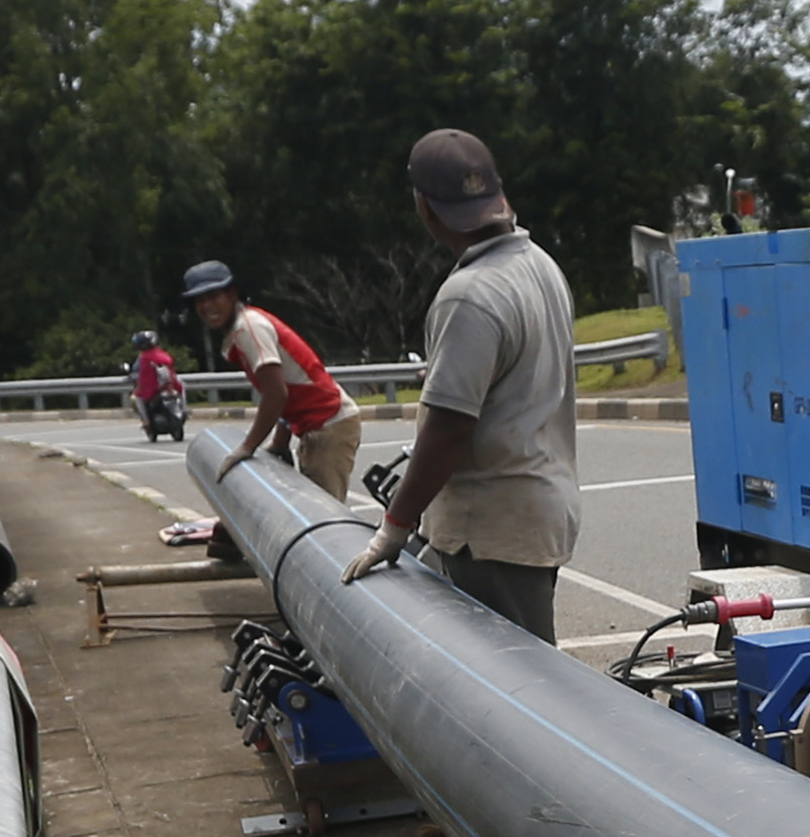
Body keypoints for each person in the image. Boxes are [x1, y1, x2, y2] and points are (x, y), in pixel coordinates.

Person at [341, 129, 580, 641]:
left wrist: (393, 526)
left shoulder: (467, 296)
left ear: (424, 207)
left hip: (491, 526)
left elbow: (450, 428)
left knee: (517, 692)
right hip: (535, 511)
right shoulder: (541, 267)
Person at [183, 260, 359, 500]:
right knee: (311, 506)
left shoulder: (249, 328)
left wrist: (248, 447)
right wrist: (280, 441)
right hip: (316, 426)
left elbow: (276, 394)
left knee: (325, 514)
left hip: (329, 423)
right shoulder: (241, 329)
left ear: (233, 293)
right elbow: (286, 387)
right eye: (199, 300)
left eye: (214, 296)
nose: (206, 306)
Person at [126, 330, 182, 438]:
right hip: (168, 386)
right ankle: (182, 409)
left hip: (154, 388)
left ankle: (146, 421)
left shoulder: (144, 358)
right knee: (181, 390)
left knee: (137, 398)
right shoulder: (162, 354)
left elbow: (143, 377)